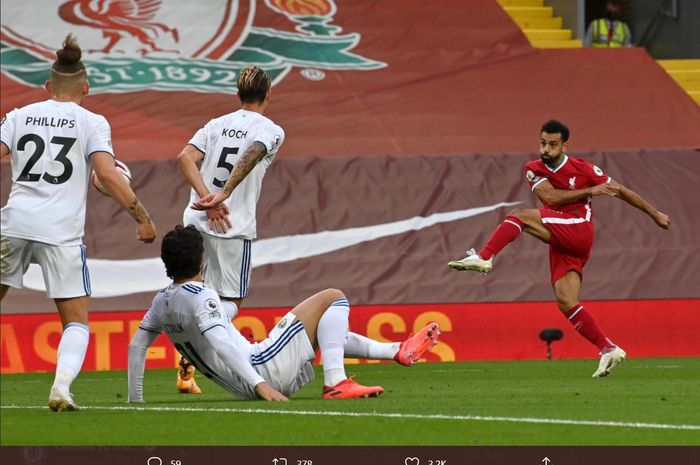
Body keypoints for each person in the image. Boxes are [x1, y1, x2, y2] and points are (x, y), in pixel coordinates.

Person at [0, 34, 157, 411]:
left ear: (46, 87)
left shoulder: (17, 116)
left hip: (14, 223)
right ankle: (61, 387)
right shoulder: (92, 122)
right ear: (86, 87)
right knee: (76, 321)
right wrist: (143, 219)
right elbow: (107, 174)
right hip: (60, 233)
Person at [448, 119, 669, 378]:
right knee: (567, 302)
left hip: (578, 229)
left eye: (553, 144)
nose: (546, 149)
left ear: (565, 145)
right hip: (563, 239)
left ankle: (484, 258)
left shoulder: (582, 168)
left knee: (519, 215)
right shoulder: (533, 168)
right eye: (543, 143)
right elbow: (550, 198)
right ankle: (608, 348)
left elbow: (619, 190)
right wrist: (591, 190)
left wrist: (654, 213)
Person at [128, 225, 441, 402]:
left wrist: (135, 400)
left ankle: (394, 350)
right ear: (201, 262)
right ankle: (336, 382)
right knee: (334, 299)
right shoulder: (204, 297)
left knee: (324, 329)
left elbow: (137, 347)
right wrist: (259, 385)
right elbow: (221, 343)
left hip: (247, 384)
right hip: (264, 368)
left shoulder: (162, 302)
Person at [173, 66, 285, 393]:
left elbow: (185, 158)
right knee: (230, 299)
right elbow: (253, 152)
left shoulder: (216, 124)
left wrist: (207, 197)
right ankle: (193, 354)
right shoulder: (271, 129)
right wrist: (222, 195)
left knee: (193, 292)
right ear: (268, 95)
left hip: (196, 220)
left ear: (238, 95)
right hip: (231, 228)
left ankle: (187, 368)